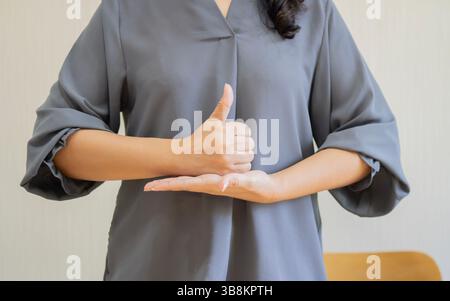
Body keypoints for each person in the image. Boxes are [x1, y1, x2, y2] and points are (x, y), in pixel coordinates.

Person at [21, 0, 410, 280]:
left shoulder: (313, 10)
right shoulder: (127, 9)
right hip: (156, 265)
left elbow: (369, 139)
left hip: (281, 267)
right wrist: (183, 153)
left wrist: (275, 186)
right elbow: (60, 144)